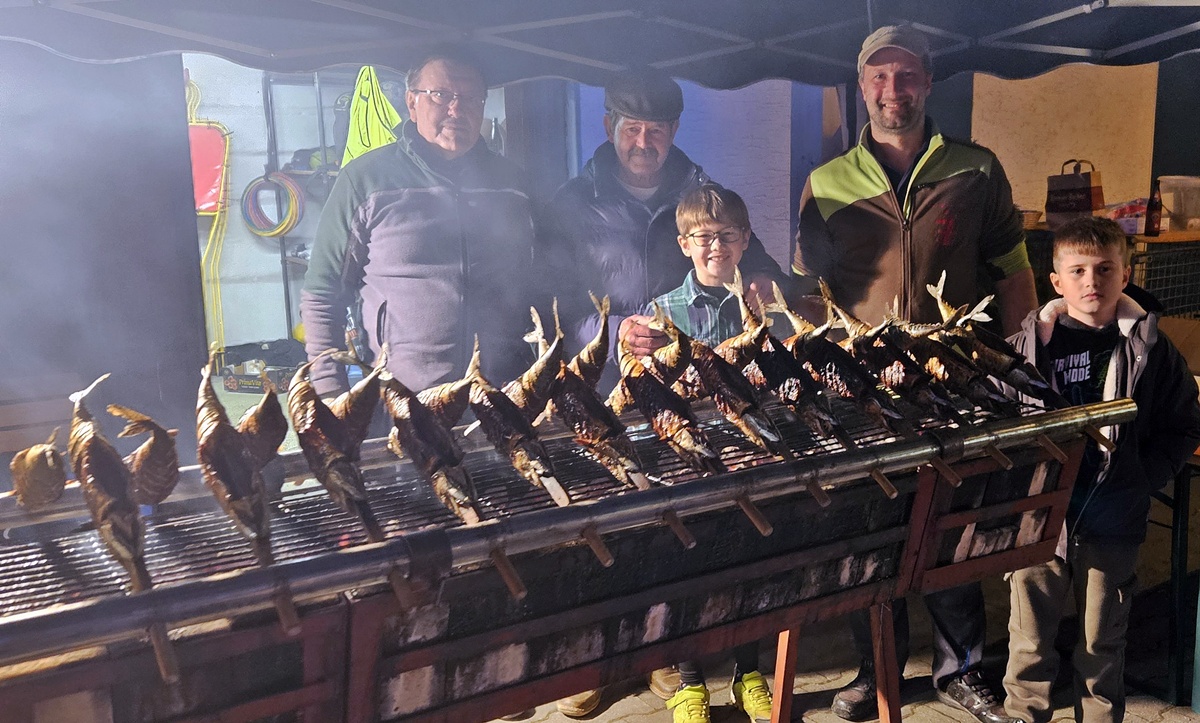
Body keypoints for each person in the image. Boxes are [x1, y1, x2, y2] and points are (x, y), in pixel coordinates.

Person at [792, 24, 1037, 723]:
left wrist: (1016, 369)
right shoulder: (827, 182)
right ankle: (876, 668)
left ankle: (961, 669)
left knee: (951, 524)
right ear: (861, 83)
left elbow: (1013, 275)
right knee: (876, 529)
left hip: (954, 382)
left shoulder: (976, 169)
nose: (892, 90)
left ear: (928, 82)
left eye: (906, 77)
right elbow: (811, 294)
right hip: (865, 391)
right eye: (879, 76)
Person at [1002, 217, 1200, 723]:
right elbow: (999, 422)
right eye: (1079, 270)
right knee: (1028, 646)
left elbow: (1184, 424)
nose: (1092, 281)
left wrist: (1141, 477)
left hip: (1112, 521)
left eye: (1105, 269)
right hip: (1039, 521)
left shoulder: (1152, 350)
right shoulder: (1025, 349)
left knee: (1101, 643)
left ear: (1126, 273)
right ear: (1057, 281)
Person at [300, 47, 539, 398]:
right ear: (412, 103)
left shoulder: (514, 184)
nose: (456, 110)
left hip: (502, 392)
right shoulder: (365, 180)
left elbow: (543, 282)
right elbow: (323, 294)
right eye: (441, 96)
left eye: (470, 98)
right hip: (401, 398)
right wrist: (328, 393)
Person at [548, 67, 784, 395]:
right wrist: (615, 333)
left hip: (693, 387)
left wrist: (764, 280)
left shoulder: (703, 195)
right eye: (631, 129)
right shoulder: (571, 204)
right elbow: (553, 311)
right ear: (608, 128)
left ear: (673, 131)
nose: (643, 143)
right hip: (608, 389)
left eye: (655, 130)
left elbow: (759, 263)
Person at [647, 184, 774, 723]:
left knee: (751, 560)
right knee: (688, 565)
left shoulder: (765, 304)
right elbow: (647, 383)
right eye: (703, 237)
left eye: (727, 237)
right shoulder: (661, 311)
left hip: (750, 455)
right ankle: (690, 680)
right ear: (683, 244)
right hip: (686, 463)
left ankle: (749, 671)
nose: (716, 247)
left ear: (745, 241)